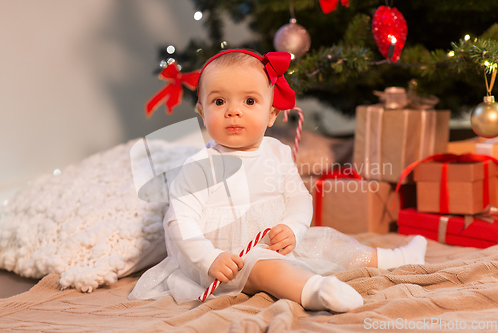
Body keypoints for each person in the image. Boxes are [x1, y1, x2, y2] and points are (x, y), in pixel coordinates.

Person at [128, 49, 427, 312]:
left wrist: (294, 229)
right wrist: (209, 258)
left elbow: (298, 198)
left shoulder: (278, 152)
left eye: (249, 100)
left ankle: (392, 258)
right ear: (201, 112)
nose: (234, 111)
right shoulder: (200, 167)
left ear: (271, 114)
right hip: (226, 259)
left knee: (330, 244)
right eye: (219, 101)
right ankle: (314, 291)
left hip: (273, 241)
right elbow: (179, 221)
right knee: (265, 270)